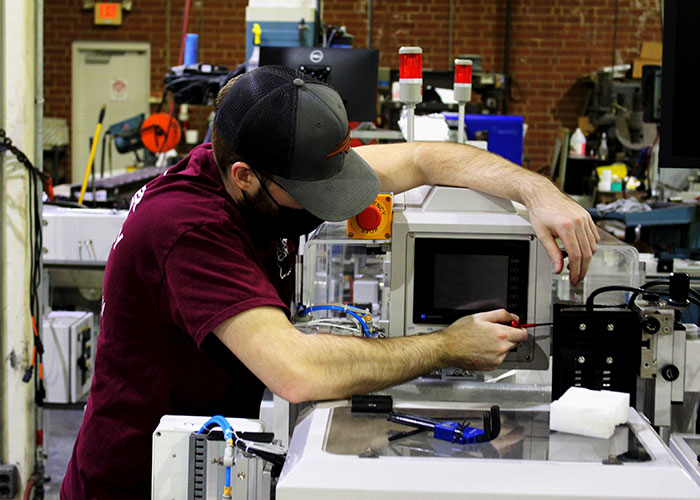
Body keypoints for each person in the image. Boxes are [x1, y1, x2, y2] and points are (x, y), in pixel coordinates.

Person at [62, 66, 598, 499]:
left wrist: (537, 191)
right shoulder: (187, 228)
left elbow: (422, 158)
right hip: (141, 480)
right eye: (311, 195)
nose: (323, 208)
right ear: (245, 176)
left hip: (211, 460)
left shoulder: (252, 162)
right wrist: (447, 346)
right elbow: (296, 372)